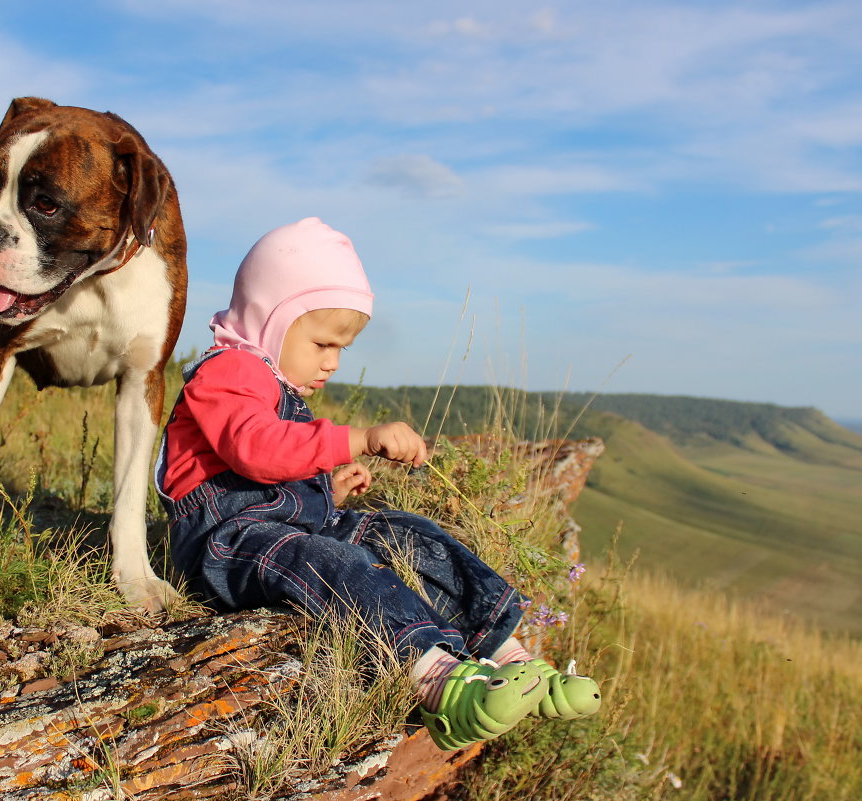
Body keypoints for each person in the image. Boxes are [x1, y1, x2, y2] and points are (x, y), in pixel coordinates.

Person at [154, 218, 600, 750]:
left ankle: (507, 651)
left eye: (341, 348)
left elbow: (274, 471)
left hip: (275, 531)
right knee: (337, 564)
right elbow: (253, 448)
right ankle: (435, 678)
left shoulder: (269, 379)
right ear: (270, 319)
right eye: (322, 342)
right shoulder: (228, 370)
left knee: (406, 533)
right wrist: (357, 438)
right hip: (226, 543)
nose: (332, 363)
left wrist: (327, 491)